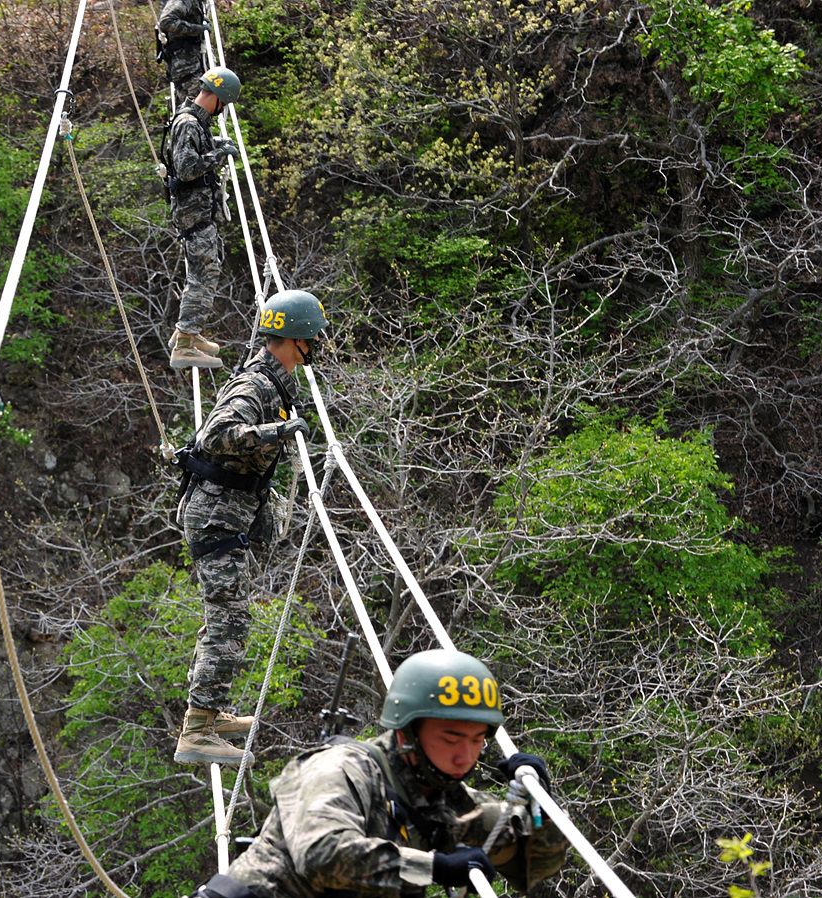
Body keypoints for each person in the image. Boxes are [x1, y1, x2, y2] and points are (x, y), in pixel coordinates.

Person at [192, 649, 570, 896]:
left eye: (477, 741)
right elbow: (322, 853)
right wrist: (434, 867)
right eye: (452, 738)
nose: (464, 757)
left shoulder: (441, 800)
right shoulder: (341, 768)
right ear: (407, 731)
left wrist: (541, 804)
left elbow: (533, 864)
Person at [174, 290, 328, 765]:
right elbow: (217, 435)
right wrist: (276, 432)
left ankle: (210, 711)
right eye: (313, 336)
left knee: (227, 614)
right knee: (231, 618)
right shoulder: (254, 388)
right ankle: (197, 732)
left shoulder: (274, 377)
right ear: (298, 339)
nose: (319, 343)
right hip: (215, 517)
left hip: (228, 514)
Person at [163, 66, 242, 369]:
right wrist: (217, 156)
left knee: (201, 271)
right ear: (219, 99)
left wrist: (216, 147)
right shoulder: (188, 123)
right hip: (193, 214)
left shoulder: (194, 121)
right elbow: (186, 168)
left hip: (194, 212)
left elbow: (190, 155)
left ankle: (188, 334)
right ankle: (185, 341)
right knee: (205, 273)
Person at [157, 0, 208, 101]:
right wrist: (200, 29)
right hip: (187, 69)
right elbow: (166, 21)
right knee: (194, 110)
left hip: (190, 67)